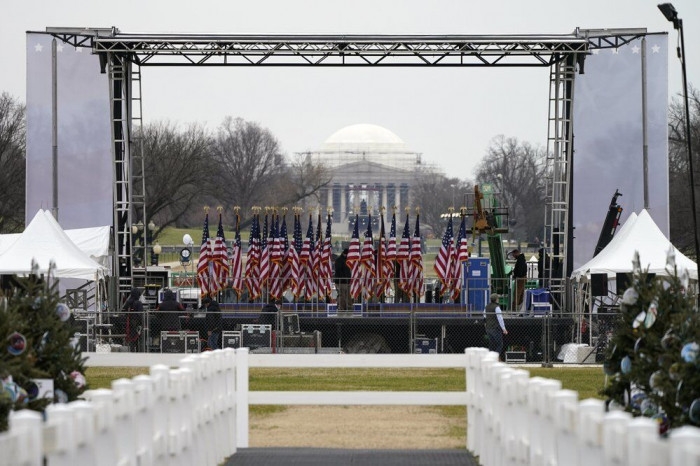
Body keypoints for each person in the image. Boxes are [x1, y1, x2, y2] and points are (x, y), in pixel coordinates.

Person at [484, 293, 508, 361]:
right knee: (499, 344)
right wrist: (504, 329)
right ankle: (495, 358)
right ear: (497, 299)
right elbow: (500, 318)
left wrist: (485, 324)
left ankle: (489, 358)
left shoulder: (487, 306)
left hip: (488, 328)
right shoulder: (497, 307)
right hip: (495, 328)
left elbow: (484, 316)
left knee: (492, 344)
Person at [123, 287, 143, 352]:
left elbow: (124, 311)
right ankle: (138, 351)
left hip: (128, 323)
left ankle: (131, 351)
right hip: (137, 324)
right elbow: (140, 314)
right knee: (138, 338)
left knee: (131, 339)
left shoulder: (128, 302)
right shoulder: (139, 303)